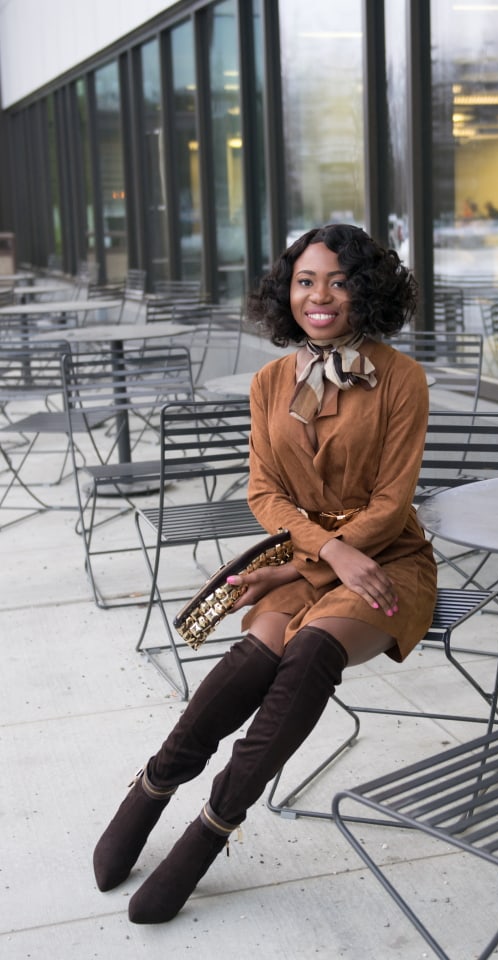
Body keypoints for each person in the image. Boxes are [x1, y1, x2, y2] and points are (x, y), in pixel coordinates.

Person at [92, 223, 437, 924]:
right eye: (306, 281)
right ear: (288, 291)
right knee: (254, 659)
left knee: (310, 652)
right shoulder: (270, 380)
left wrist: (337, 553)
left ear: (363, 290)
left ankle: (211, 828)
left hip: (385, 562)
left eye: (338, 281)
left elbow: (392, 502)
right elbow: (264, 493)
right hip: (305, 562)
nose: (320, 296)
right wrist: (315, 556)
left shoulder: (402, 378)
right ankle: (155, 782)